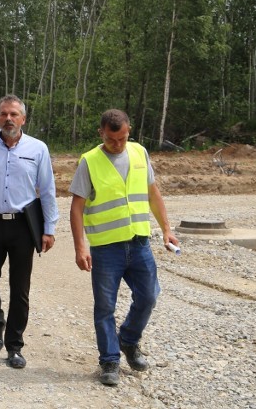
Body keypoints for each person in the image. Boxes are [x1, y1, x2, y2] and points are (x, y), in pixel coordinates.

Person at [69, 109, 179, 386]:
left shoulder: (140, 153)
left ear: (129, 130)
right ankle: (109, 360)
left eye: (121, 138)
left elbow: (153, 193)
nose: (117, 144)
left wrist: (167, 229)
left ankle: (128, 340)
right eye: (110, 139)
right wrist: (80, 247)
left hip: (140, 242)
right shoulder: (89, 161)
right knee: (105, 306)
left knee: (149, 296)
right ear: (101, 133)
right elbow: (77, 207)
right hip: (106, 249)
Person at [0, 94, 59, 369]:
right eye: (4, 114)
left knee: (20, 288)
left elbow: (48, 190)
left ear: (23, 119)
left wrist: (49, 228)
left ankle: (14, 346)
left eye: (14, 114)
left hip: (22, 226)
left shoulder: (38, 148)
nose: (8, 119)